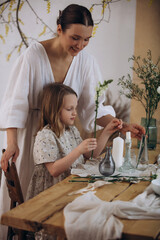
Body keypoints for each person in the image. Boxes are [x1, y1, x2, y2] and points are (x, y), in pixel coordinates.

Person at [0, 4, 145, 239]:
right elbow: (15, 103)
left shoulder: (86, 62)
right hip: (34, 140)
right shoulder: (33, 56)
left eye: (86, 40)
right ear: (59, 29)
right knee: (32, 203)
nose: (80, 46)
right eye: (75, 38)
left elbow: (93, 106)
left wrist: (122, 125)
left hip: (64, 136)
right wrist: (12, 143)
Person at [26, 82, 122, 239]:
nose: (74, 113)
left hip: (71, 190)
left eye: (75, 108)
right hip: (51, 198)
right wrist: (78, 150)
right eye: (69, 109)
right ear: (55, 110)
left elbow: (91, 155)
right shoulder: (45, 136)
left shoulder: (71, 131)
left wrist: (106, 132)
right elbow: (54, 170)